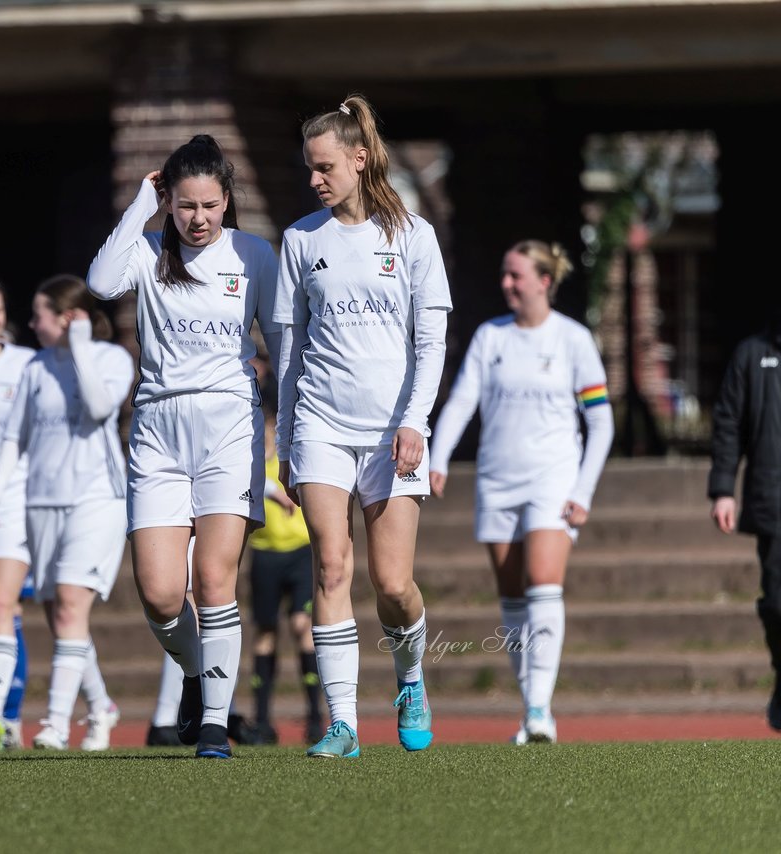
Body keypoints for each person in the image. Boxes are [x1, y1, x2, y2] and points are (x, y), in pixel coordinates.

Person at [87, 134, 280, 759]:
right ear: (169, 201)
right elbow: (99, 282)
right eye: (186, 206)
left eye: (211, 206)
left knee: (215, 577)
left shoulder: (253, 254)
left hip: (230, 428)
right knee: (163, 593)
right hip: (157, 433)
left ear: (228, 202)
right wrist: (142, 202)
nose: (199, 220)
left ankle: (217, 729)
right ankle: (197, 675)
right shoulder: (145, 250)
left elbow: (282, 343)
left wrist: (295, 432)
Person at [274, 94, 452, 759]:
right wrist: (289, 437)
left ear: (358, 158)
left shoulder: (412, 235)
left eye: (324, 167)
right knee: (329, 563)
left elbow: (431, 343)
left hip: (392, 434)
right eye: (308, 169)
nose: (314, 180)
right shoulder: (299, 240)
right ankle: (342, 724)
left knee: (394, 585)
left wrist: (414, 422)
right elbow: (290, 352)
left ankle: (410, 678)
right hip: (320, 424)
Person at [428, 240, 614, 745]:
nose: (507, 284)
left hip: (552, 480)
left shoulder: (573, 339)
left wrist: (584, 491)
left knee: (542, 580)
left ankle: (539, 710)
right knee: (511, 595)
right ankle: (529, 703)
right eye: (505, 276)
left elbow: (601, 422)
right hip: (496, 480)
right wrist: (437, 459)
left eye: (516, 276)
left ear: (544, 281)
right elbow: (463, 400)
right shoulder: (491, 337)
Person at [0, 274, 133, 752]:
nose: (31, 323)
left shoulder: (111, 359)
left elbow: (97, 408)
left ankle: (53, 724)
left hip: (97, 498)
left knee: (70, 603)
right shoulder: (35, 366)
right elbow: (14, 437)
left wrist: (83, 346)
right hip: (40, 501)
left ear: (68, 317)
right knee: (61, 615)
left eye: (40, 315)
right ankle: (102, 706)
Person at [708, 306, 781, 732]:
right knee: (776, 605)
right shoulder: (753, 354)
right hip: (773, 502)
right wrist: (722, 488)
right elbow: (728, 423)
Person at [247, 391, 326, 745]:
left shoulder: (291, 457)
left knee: (301, 626)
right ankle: (262, 720)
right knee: (265, 633)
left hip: (299, 554)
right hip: (264, 555)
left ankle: (315, 716)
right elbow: (247, 485)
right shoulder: (251, 464)